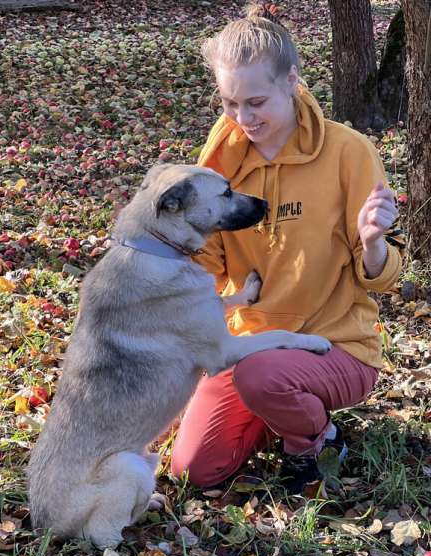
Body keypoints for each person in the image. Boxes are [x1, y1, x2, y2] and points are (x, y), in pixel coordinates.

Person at [170, 2, 401, 493]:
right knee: (194, 470)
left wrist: (372, 240)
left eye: (255, 102)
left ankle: (316, 440)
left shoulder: (348, 151)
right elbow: (206, 270)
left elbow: (381, 276)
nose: (242, 118)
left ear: (291, 80)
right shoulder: (219, 163)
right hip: (248, 345)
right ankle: (276, 410)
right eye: (230, 104)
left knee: (262, 377)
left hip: (338, 345)